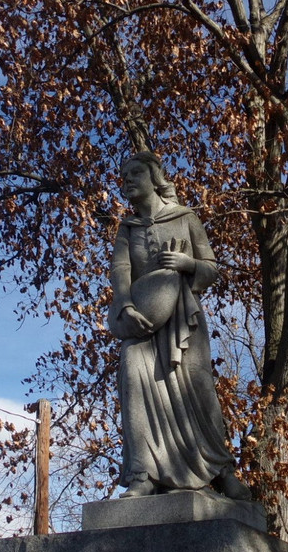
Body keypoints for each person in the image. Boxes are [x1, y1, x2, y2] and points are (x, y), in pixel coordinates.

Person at [108, 151, 251, 500]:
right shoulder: (127, 228)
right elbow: (120, 272)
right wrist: (125, 305)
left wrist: (188, 264)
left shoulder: (185, 218)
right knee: (133, 382)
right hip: (141, 321)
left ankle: (221, 471)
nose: (127, 179)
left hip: (183, 323)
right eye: (123, 174)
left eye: (135, 172)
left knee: (200, 393)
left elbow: (212, 268)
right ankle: (143, 474)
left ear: (155, 177)